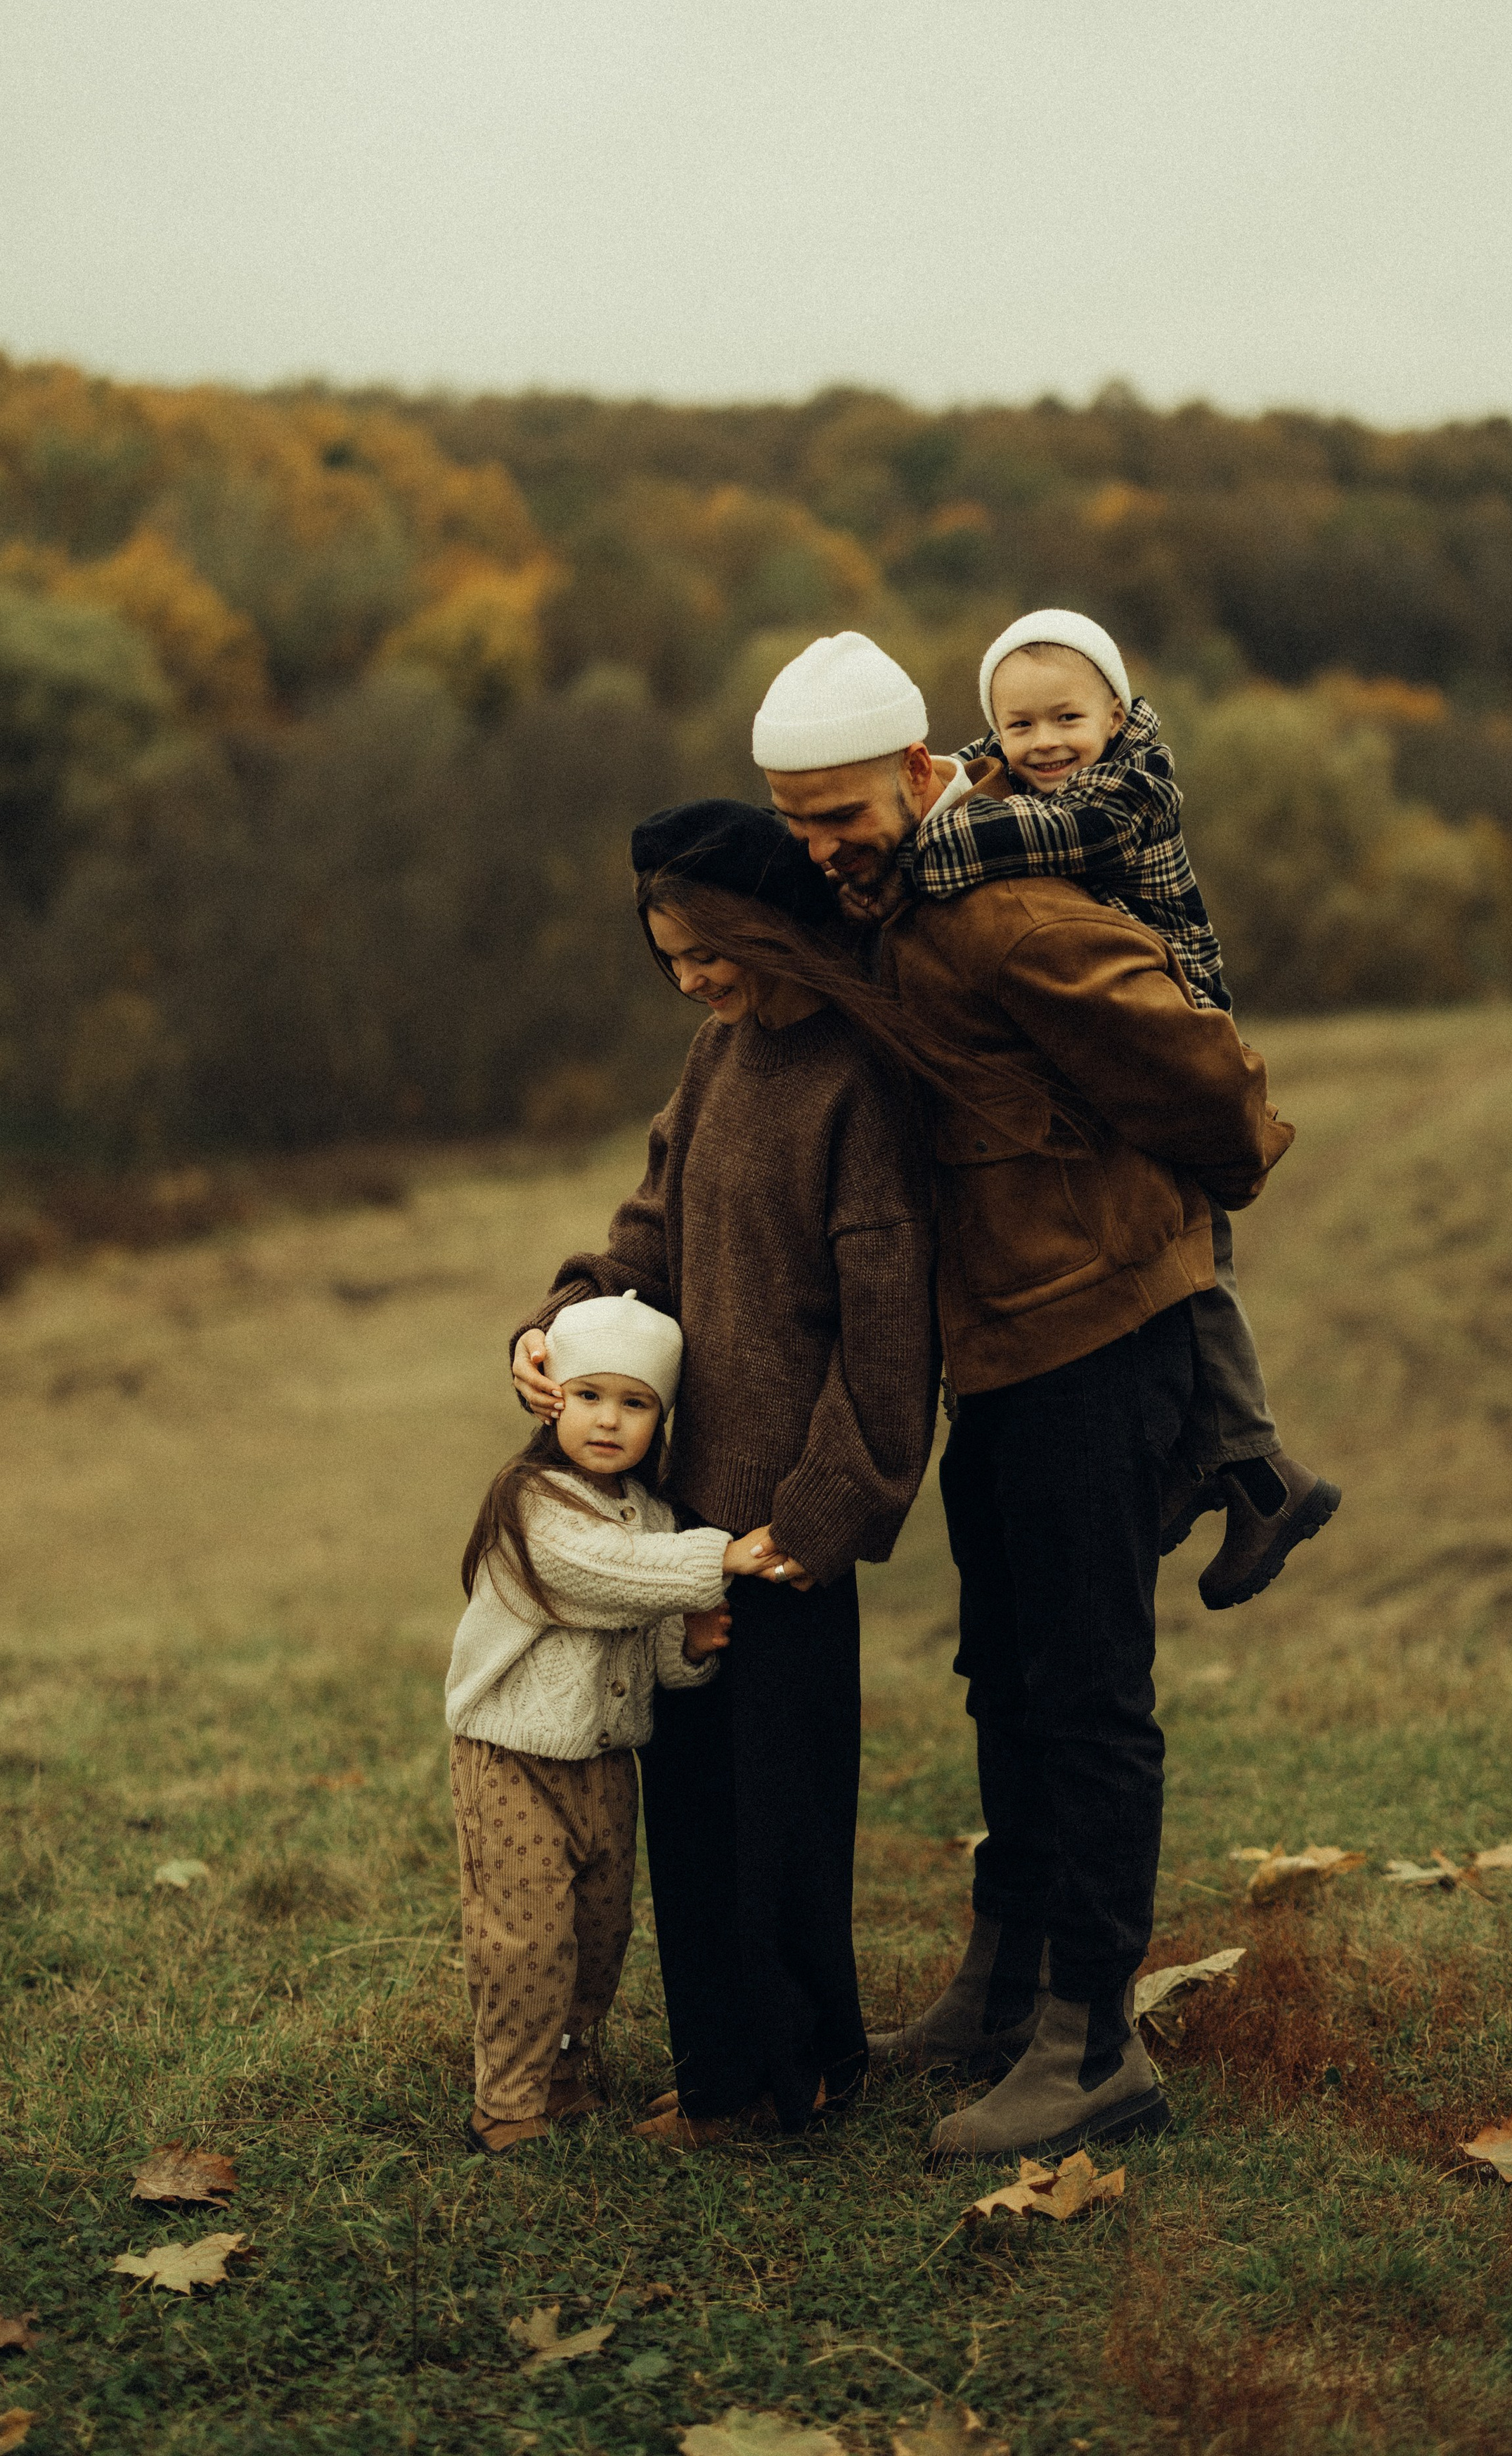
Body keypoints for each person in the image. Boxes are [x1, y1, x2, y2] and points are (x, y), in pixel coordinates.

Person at [751, 630, 1293, 2161]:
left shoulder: (1008, 917)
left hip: (1094, 1342)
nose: (820, 847)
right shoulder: (893, 902)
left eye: (840, 815)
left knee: (1083, 1695)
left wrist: (1186, 1196)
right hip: (994, 1356)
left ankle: (1090, 2039)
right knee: (1005, 1675)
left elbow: (1209, 1081)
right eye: (795, 821)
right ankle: (999, 1987)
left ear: (920, 776)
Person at [508, 802, 938, 2145]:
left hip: (786, 1536)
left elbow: (887, 1339)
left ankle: (782, 2083)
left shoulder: (858, 1083)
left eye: (705, 951)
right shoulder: (714, 1063)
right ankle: (735, 2074)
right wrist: (560, 1319)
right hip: (683, 1527)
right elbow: (645, 1237)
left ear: (769, 928)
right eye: (670, 959)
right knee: (694, 1811)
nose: (690, 979)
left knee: (782, 1824)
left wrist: (817, 1519)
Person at [900, 605, 1340, 1609]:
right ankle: (1221, 1464)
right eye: (1019, 727)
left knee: (1198, 1255)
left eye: (1067, 719)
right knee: (1179, 1245)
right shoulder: (1019, 767)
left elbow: (1012, 840)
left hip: (1176, 1012)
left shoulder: (1129, 787)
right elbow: (973, 785)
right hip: (1120, 1017)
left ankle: (1263, 1470)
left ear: (1117, 710)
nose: (1043, 743)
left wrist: (923, 846)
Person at [446, 1288, 775, 2156]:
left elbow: (649, 1646)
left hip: (603, 1765)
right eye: (589, 1396)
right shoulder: (533, 1505)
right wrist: (723, 1557)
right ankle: (506, 2101)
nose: (607, 1421)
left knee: (598, 1929)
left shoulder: (656, 1516)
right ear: (554, 1400)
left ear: (660, 1419)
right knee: (525, 1933)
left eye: (635, 1404)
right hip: (513, 1756)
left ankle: (563, 2072)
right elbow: (603, 1575)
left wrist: (691, 1645)